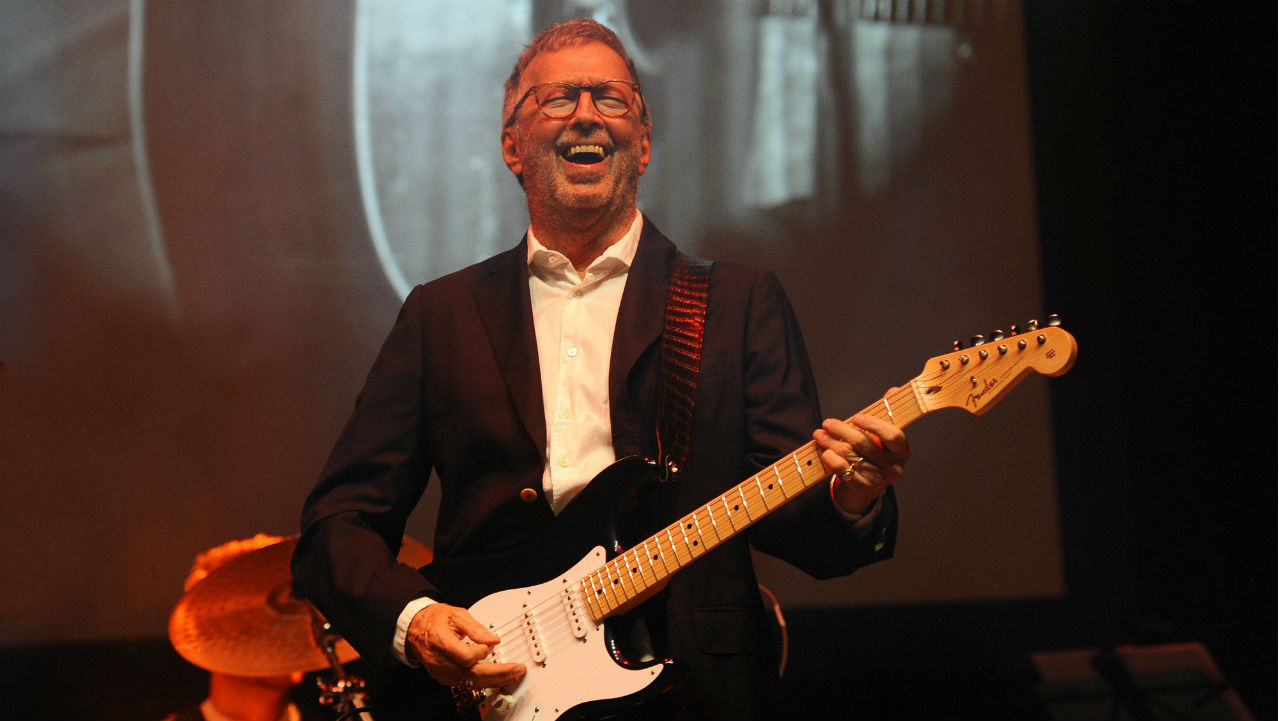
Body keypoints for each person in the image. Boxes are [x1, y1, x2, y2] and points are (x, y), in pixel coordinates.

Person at [291, 17, 911, 721]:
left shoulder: (738, 301)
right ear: (510, 145)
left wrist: (852, 495)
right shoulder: (442, 316)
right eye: (556, 98)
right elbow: (337, 524)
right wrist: (418, 619)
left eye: (612, 98)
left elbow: (806, 535)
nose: (586, 112)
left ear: (643, 144)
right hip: (497, 690)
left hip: (695, 692)